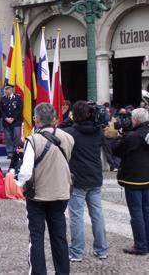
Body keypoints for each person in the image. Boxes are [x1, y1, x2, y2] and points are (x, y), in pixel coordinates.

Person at [15, 103, 74, 275]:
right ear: (54, 118)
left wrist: (19, 183)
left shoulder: (33, 140)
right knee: (59, 237)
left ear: (37, 119)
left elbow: (25, 172)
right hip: (61, 193)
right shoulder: (68, 137)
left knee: (36, 237)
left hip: (38, 196)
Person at [64, 101, 109, 262]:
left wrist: (68, 120)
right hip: (95, 177)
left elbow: (59, 132)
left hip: (78, 179)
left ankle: (76, 252)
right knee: (97, 214)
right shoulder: (98, 132)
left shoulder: (70, 132)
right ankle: (102, 249)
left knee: (76, 216)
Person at [113, 108, 149, 255]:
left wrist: (121, 136)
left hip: (133, 180)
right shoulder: (146, 133)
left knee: (136, 213)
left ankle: (140, 245)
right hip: (147, 178)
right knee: (146, 211)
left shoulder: (132, 136)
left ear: (135, 120)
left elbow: (116, 150)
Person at [0, 85, 23, 159]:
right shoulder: (3, 98)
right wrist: (6, 118)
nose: (6, 91)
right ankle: (10, 153)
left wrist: (13, 118)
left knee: (16, 137)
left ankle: (16, 152)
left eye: (7, 89)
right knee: (8, 137)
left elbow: (19, 109)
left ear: (12, 90)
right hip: (6, 122)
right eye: (5, 89)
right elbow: (1, 110)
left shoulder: (18, 98)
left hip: (16, 121)